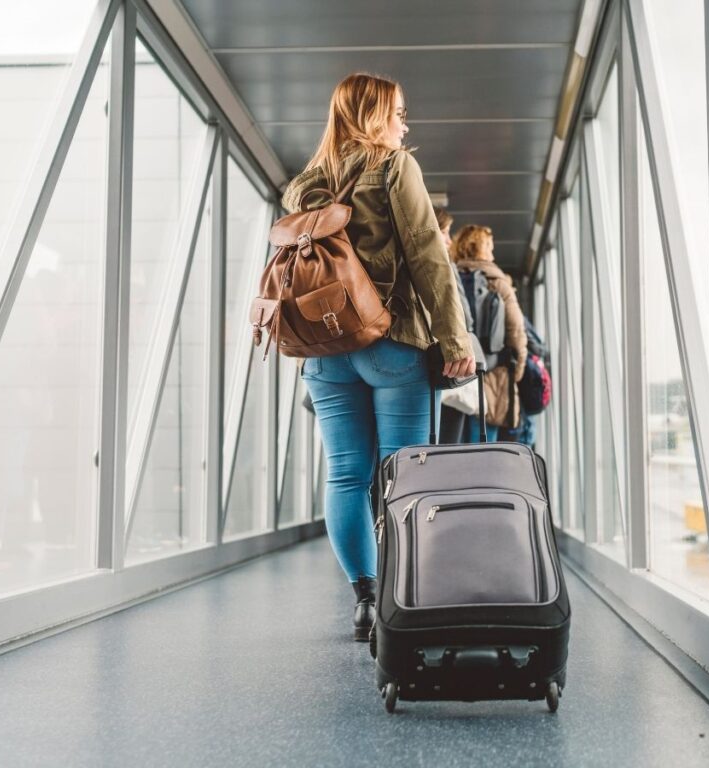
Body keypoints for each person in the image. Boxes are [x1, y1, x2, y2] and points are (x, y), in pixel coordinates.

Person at [281, 73, 475, 642]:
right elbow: (427, 255)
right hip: (391, 342)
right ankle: (399, 596)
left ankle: (365, 597)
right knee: (402, 475)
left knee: (346, 474)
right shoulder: (394, 167)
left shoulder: (306, 186)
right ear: (374, 115)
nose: (404, 126)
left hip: (324, 351)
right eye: (398, 113)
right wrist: (455, 339)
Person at [451, 224, 527, 442]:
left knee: (449, 448)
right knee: (483, 448)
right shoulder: (498, 282)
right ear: (480, 248)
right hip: (492, 377)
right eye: (490, 249)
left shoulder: (449, 278)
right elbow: (516, 332)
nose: (493, 255)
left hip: (454, 375)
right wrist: (514, 373)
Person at [433, 207, 472, 444]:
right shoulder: (442, 264)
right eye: (445, 232)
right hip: (445, 365)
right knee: (445, 448)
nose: (449, 241)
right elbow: (463, 313)